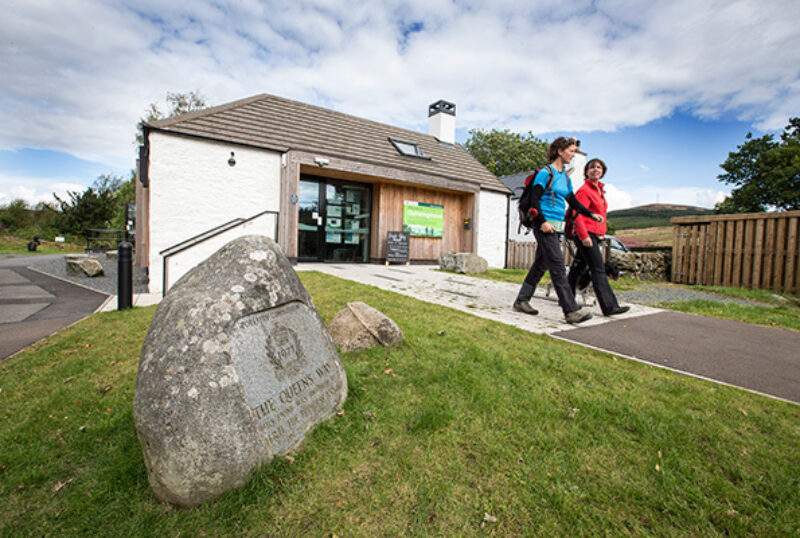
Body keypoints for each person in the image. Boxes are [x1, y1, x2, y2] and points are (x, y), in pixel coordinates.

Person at [513, 137, 603, 324]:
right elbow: (534, 200)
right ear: (560, 151)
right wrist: (542, 221)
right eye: (571, 151)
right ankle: (570, 311)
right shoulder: (546, 173)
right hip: (544, 225)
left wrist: (590, 214)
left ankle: (522, 300)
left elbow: (572, 201)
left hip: (557, 227)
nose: (573, 154)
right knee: (558, 267)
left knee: (541, 265)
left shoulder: (565, 178)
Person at [567, 158, 629, 316]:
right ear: (587, 172)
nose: (595, 169)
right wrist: (584, 235)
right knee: (598, 268)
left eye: (599, 167)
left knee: (578, 268)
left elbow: (600, 215)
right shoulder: (584, 191)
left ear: (603, 172)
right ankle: (609, 307)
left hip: (594, 234)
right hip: (585, 233)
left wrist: (601, 233)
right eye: (592, 167)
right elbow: (577, 213)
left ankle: (565, 299)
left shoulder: (599, 191)